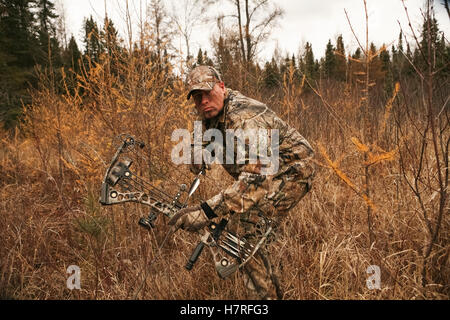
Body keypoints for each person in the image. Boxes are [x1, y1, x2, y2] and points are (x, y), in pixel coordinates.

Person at [169, 65, 315, 300]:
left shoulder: (244, 117)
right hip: (261, 174)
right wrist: (198, 154)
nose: (204, 101)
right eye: (198, 97)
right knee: (247, 236)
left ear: (222, 87)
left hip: (291, 172)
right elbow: (200, 141)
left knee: (241, 233)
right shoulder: (210, 112)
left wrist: (205, 211)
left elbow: (256, 180)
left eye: (208, 93)